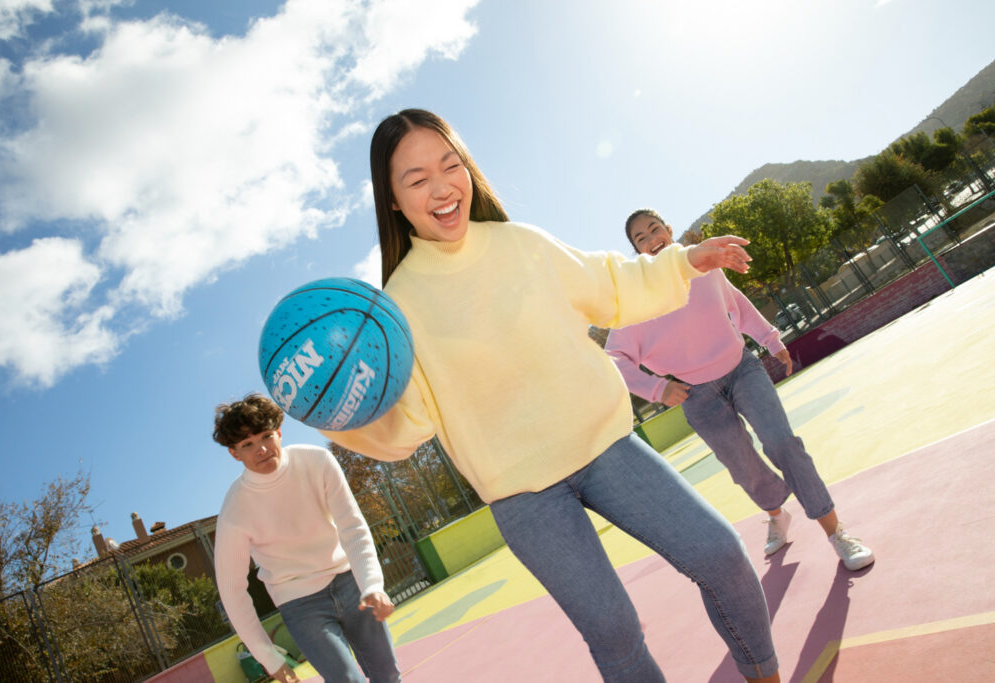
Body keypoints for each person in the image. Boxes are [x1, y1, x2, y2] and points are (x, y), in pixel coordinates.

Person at [319, 109, 780, 682]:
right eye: (416, 180)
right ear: (391, 200)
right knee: (614, 630)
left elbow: (612, 282)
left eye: (450, 165)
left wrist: (685, 260)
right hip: (522, 496)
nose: (441, 188)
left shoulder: (520, 244)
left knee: (725, 558)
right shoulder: (397, 309)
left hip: (607, 446)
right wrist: (335, 412)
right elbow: (406, 422)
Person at [605, 210, 875, 571]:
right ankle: (777, 514)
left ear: (670, 232)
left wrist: (770, 338)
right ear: (637, 251)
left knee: (782, 444)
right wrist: (656, 388)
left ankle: (837, 533)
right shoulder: (635, 300)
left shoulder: (704, 265)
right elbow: (615, 357)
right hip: (696, 396)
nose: (652, 238)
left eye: (655, 229)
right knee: (743, 467)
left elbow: (738, 305)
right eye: (641, 237)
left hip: (742, 370)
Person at [213, 393, 401, 683]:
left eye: (265, 436)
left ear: (279, 432)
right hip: (300, 603)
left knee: (387, 675)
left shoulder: (317, 461)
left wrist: (372, 584)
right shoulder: (234, 510)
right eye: (247, 445)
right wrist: (267, 656)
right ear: (234, 453)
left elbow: (352, 527)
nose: (261, 449)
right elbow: (232, 590)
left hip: (350, 581)